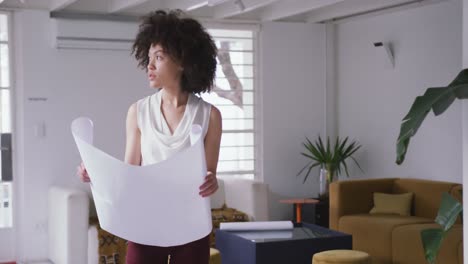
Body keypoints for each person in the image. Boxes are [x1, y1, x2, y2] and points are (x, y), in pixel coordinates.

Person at [76, 9, 222, 264]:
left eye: (159, 57)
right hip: (145, 223)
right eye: (149, 57)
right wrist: (95, 173)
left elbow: (208, 176)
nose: (150, 65)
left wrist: (211, 181)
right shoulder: (138, 112)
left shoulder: (210, 116)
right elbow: (129, 172)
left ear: (183, 61)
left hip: (191, 226)